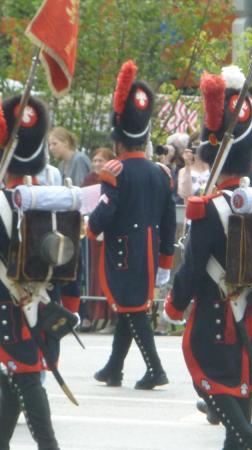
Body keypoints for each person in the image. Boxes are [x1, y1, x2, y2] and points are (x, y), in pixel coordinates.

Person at [163, 67, 252, 450]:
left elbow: (193, 264)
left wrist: (175, 305)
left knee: (208, 374)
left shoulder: (208, 207)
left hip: (217, 309)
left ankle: (248, 440)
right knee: (242, 381)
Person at [87, 60, 176, 390]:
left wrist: (91, 228)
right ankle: (114, 367)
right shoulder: (161, 173)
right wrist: (166, 259)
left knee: (133, 308)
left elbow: (107, 211)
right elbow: (169, 223)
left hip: (124, 250)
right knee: (131, 305)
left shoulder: (114, 171)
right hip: (150, 249)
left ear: (119, 140)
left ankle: (155, 368)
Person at [0, 94, 79, 450]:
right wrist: (71, 306)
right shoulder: (54, 198)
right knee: (14, 380)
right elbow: (70, 264)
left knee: (25, 376)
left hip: (9, 307)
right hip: (47, 304)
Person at [82, 147, 117, 332]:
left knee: (108, 274)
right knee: (93, 275)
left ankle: (111, 317)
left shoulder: (113, 181)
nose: (96, 164)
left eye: (100, 160)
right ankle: (95, 315)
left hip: (108, 233)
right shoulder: (88, 180)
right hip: (91, 233)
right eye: (94, 160)